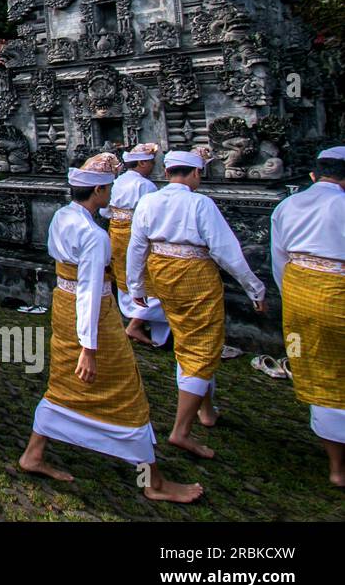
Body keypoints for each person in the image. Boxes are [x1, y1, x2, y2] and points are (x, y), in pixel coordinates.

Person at [19, 154, 203, 503]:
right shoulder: (92, 235)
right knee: (127, 393)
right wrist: (89, 349)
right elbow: (89, 291)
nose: (113, 195)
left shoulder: (63, 216)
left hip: (63, 304)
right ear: (99, 190)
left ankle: (34, 452)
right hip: (91, 316)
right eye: (110, 189)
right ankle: (153, 481)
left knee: (63, 380)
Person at [126, 147, 267, 459]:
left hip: (161, 273)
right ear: (195, 174)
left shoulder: (149, 201)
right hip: (194, 277)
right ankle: (181, 430)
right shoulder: (200, 203)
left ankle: (206, 410)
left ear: (166, 173)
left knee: (187, 339)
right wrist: (255, 289)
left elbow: (137, 246)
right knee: (201, 344)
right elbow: (226, 251)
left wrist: (136, 286)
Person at [271, 145, 345, 486]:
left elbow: (278, 260)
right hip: (337, 291)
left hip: (299, 291)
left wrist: (291, 297)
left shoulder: (288, 204)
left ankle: (335, 467)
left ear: (315, 173)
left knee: (316, 368)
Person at [105, 143, 171, 347]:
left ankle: (138, 322)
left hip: (115, 232)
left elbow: (105, 211)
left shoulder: (117, 182)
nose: (152, 167)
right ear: (142, 163)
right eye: (151, 163)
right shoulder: (145, 186)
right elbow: (151, 216)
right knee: (149, 280)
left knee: (125, 276)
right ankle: (137, 323)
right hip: (136, 234)